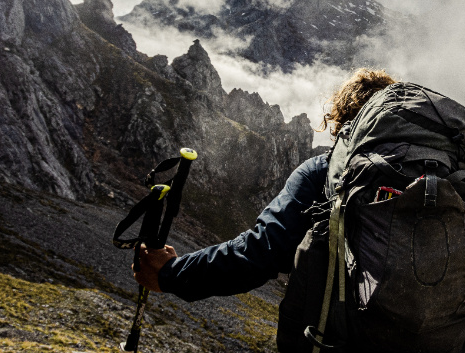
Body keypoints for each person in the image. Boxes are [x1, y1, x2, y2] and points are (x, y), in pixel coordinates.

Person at [132, 68, 396, 298]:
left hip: (343, 345)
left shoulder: (322, 172)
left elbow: (261, 252)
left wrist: (171, 274)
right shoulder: (431, 176)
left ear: (339, 120)